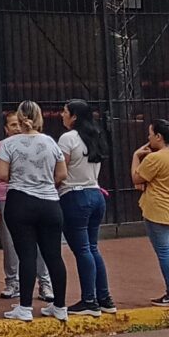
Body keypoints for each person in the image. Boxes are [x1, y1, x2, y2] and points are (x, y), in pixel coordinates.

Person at [0, 101, 70, 323]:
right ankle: (60, 306)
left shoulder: (9, 144)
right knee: (53, 255)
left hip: (20, 200)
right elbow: (62, 174)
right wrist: (45, 181)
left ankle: (25, 306)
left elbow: (3, 174)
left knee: (26, 254)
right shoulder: (50, 142)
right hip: (49, 202)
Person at [0, 111, 55, 305]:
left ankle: (44, 282)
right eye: (12, 125)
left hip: (28, 197)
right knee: (10, 245)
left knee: (39, 246)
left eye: (18, 124)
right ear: (5, 129)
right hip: (6, 197)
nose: (16, 128)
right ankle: (12, 282)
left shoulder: (37, 144)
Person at [57, 99, 112, 316]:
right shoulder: (95, 135)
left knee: (82, 250)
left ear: (74, 116)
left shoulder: (68, 138)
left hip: (74, 195)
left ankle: (89, 299)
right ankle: (104, 297)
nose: (62, 115)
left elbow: (62, 169)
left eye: (65, 112)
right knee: (92, 247)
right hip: (95, 193)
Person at [133, 118, 169, 306]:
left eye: (150, 134)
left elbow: (136, 178)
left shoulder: (155, 158)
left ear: (158, 136)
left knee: (164, 252)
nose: (148, 137)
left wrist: (136, 156)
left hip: (158, 210)